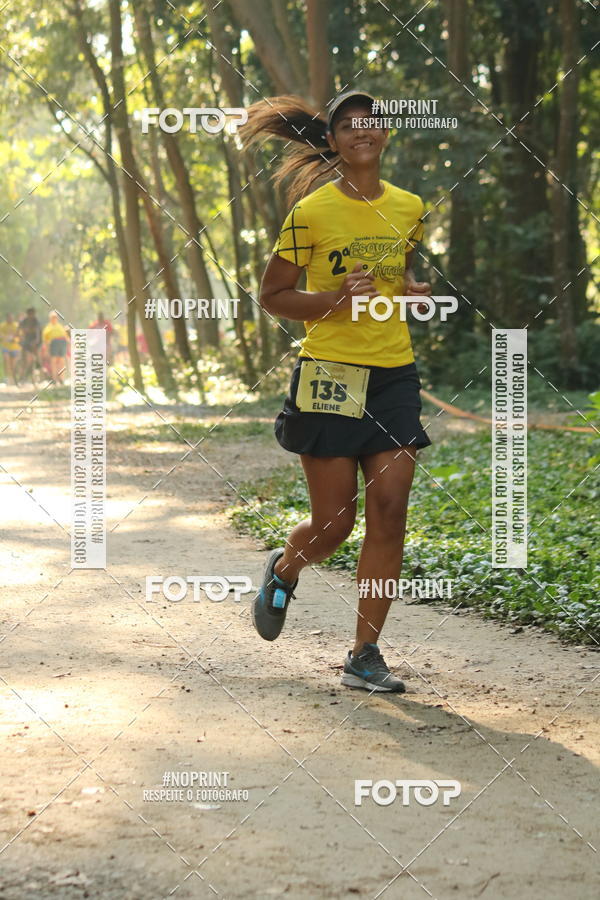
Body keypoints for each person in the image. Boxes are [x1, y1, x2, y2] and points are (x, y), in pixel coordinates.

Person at [245, 91, 433, 693]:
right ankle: (284, 567)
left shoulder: (409, 207)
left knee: (390, 512)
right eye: (348, 126)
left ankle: (365, 653)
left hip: (393, 375)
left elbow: (396, 274)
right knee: (333, 526)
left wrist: (410, 291)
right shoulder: (311, 214)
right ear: (332, 143)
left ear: (384, 137)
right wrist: (332, 301)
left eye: (370, 123)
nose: (362, 131)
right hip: (329, 372)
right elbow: (272, 295)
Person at [42, 310, 69, 384]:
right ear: (50, 318)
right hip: (54, 344)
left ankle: (61, 378)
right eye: (53, 317)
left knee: (61, 361)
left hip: (62, 343)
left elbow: (66, 337)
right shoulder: (48, 327)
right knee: (53, 361)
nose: (54, 318)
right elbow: (45, 339)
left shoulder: (60, 326)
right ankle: (54, 379)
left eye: (55, 317)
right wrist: (47, 350)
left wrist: (68, 344)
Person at [18, 307, 42, 384]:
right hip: (27, 340)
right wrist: (18, 338)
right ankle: (22, 373)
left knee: (34, 354)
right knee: (24, 355)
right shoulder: (24, 321)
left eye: (32, 314)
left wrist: (36, 341)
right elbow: (18, 330)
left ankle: (37, 363)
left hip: (36, 340)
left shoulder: (36, 322)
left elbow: (38, 335)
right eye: (29, 314)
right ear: (27, 314)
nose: (30, 316)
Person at [0, 313, 21, 385]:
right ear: (7, 318)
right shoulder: (2, 326)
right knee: (6, 361)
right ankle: (7, 378)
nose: (10, 319)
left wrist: (14, 339)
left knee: (13, 364)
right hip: (6, 346)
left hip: (15, 347)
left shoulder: (16, 325)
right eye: (9, 318)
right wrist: (5, 337)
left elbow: (20, 335)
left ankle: (13, 378)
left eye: (11, 318)